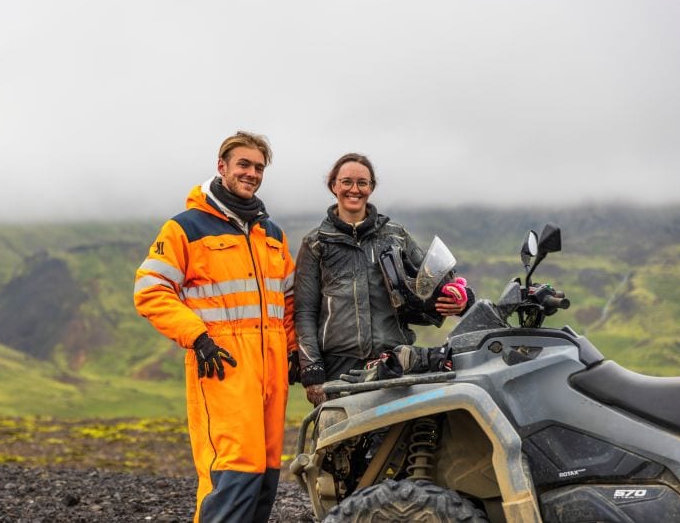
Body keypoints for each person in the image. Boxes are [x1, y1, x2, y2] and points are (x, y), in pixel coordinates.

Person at [134, 131, 297, 523]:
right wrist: (198, 337)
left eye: (258, 167)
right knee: (232, 475)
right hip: (222, 366)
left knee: (264, 477)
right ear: (221, 166)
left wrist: (292, 350)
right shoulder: (186, 228)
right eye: (243, 164)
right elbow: (150, 289)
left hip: (271, 373)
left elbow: (288, 303)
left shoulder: (271, 235)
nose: (251, 173)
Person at [294, 153, 471, 406]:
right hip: (339, 368)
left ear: (371, 188)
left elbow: (437, 278)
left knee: (395, 443)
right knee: (341, 444)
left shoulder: (395, 236)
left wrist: (463, 297)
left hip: (394, 363)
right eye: (346, 182)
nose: (354, 189)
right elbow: (304, 312)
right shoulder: (316, 243)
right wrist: (312, 371)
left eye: (362, 183)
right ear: (333, 186)